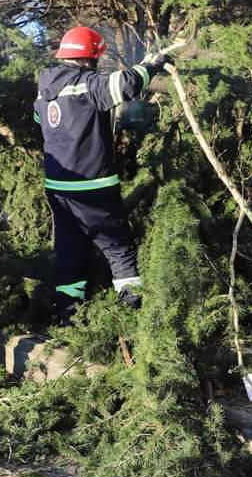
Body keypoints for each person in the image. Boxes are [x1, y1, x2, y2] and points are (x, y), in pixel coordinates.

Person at [33, 26, 171, 322]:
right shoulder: (87, 84)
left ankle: (67, 317)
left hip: (58, 189)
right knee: (119, 248)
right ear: (90, 57)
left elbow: (41, 120)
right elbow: (126, 84)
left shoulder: (44, 90)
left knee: (69, 253)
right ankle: (134, 312)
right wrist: (152, 65)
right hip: (92, 186)